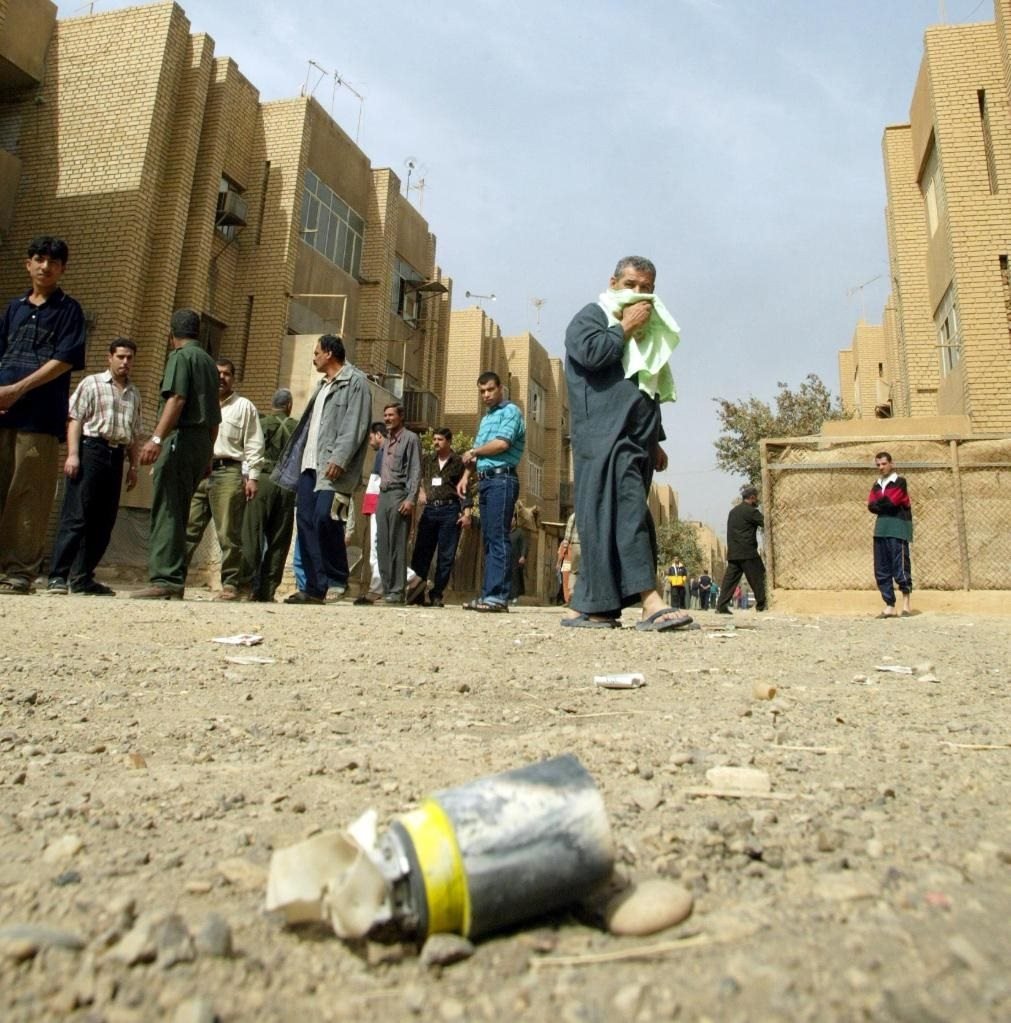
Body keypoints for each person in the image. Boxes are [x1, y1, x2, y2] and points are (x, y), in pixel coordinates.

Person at [562, 256, 691, 631]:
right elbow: (591, 353)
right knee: (629, 512)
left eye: (645, 288)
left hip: (635, 439)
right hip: (604, 437)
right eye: (630, 285)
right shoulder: (592, 316)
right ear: (613, 283)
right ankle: (650, 602)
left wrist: (656, 440)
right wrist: (624, 328)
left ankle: (593, 606)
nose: (637, 293)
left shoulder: (648, 334)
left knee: (609, 518)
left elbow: (646, 384)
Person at [0, 236, 86, 595]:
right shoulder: (14, 309)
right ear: (28, 263)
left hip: (39, 418)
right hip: (3, 414)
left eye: (53, 262)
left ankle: (19, 571)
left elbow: (65, 358)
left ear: (62, 268)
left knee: (28, 494)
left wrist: (18, 389)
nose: (45, 266)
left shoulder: (69, 310)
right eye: (39, 259)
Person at [274, 333, 370, 605]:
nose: (313, 358)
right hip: (309, 465)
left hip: (333, 467)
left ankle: (337, 579)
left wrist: (339, 458)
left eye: (316, 353)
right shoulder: (321, 386)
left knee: (325, 518)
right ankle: (314, 587)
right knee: (305, 521)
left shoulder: (355, 382)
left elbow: (355, 424)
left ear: (329, 353)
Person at [133, 309, 221, 599]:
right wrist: (208, 454)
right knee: (181, 510)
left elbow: (177, 398)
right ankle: (175, 578)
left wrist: (156, 438)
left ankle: (165, 579)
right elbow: (214, 416)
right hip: (201, 443)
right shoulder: (209, 363)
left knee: (168, 509)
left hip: (179, 440)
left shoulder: (180, 357)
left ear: (172, 335)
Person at [47, 338, 142, 596]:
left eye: (129, 358)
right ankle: (57, 576)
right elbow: (75, 419)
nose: (125, 362)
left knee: (103, 520)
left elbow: (134, 433)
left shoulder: (134, 393)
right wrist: (73, 455)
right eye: (120, 356)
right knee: (76, 515)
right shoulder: (92, 384)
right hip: (91, 450)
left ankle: (82, 578)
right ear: (109, 358)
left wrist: (134, 466)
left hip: (116, 455)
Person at [184, 359, 264, 600]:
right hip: (198, 472)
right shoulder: (198, 403)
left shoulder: (244, 406)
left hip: (228, 472)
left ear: (233, 378)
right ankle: (173, 580)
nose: (221, 378)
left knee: (228, 533)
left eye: (227, 374)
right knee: (188, 529)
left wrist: (253, 477)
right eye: (217, 373)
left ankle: (230, 584)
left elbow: (254, 443)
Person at [460, 371, 525, 612]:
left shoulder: (511, 412)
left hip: (502, 479)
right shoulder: (487, 418)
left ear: (500, 388)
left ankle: (498, 596)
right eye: (482, 391)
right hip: (486, 481)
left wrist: (474, 452)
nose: (486, 395)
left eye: (490, 389)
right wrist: (466, 476)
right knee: (488, 540)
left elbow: (501, 444)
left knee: (498, 537)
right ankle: (488, 594)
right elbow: (477, 452)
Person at [242, 388, 297, 602]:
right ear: (289, 405)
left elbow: (250, 451)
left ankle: (247, 585)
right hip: (286, 483)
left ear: (273, 404)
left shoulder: (261, 423)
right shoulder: (296, 427)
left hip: (262, 480)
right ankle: (267, 590)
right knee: (279, 539)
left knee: (252, 533)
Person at [406, 426, 469, 608]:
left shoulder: (458, 462)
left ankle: (437, 594)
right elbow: (416, 477)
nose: (436, 443)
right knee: (421, 552)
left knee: (445, 556)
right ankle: (417, 593)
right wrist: (420, 491)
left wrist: (466, 513)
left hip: (450, 510)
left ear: (448, 442)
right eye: (434, 439)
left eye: (440, 440)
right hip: (430, 510)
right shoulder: (427, 460)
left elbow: (464, 488)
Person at [376, 402, 421, 604]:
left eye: (391, 415)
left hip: (399, 494)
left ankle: (397, 590)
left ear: (401, 417)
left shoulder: (411, 439)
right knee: (382, 545)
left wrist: (411, 499)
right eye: (385, 415)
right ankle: (387, 589)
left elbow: (415, 470)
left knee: (397, 544)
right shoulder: (386, 441)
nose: (387, 418)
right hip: (383, 494)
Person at [868, 450, 913, 618]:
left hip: (898, 528)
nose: (881, 467)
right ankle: (889, 605)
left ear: (891, 464)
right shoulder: (877, 484)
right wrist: (883, 503)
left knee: (900, 566)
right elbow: (871, 505)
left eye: (884, 464)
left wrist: (881, 503)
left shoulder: (900, 482)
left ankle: (906, 604)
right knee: (881, 568)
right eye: (878, 464)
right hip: (881, 530)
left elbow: (894, 501)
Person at [715, 486, 767, 614]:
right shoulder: (751, 511)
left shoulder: (733, 512)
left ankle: (721, 605)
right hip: (748, 552)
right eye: (756, 498)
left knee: (729, 581)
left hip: (734, 553)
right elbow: (766, 523)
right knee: (759, 576)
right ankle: (762, 604)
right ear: (752, 497)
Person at [353, 421, 387, 606]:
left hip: (380, 506)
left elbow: (378, 483)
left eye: (371, 437)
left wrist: (372, 507)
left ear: (379, 435)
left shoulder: (383, 453)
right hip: (377, 506)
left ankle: (409, 578)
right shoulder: (381, 454)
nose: (370, 442)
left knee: (376, 547)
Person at [557, 512, 580, 604]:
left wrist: (565, 546)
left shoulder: (574, 516)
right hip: (588, 546)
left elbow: (567, 536)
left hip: (575, 545)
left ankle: (571, 591)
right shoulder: (590, 513)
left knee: (573, 572)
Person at [509, 513, 527, 604]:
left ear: (515, 521)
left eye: (512, 519)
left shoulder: (519, 532)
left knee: (515, 577)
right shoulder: (505, 532)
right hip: (506, 558)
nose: (510, 521)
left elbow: (524, 545)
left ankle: (515, 596)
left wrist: (523, 556)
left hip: (516, 559)